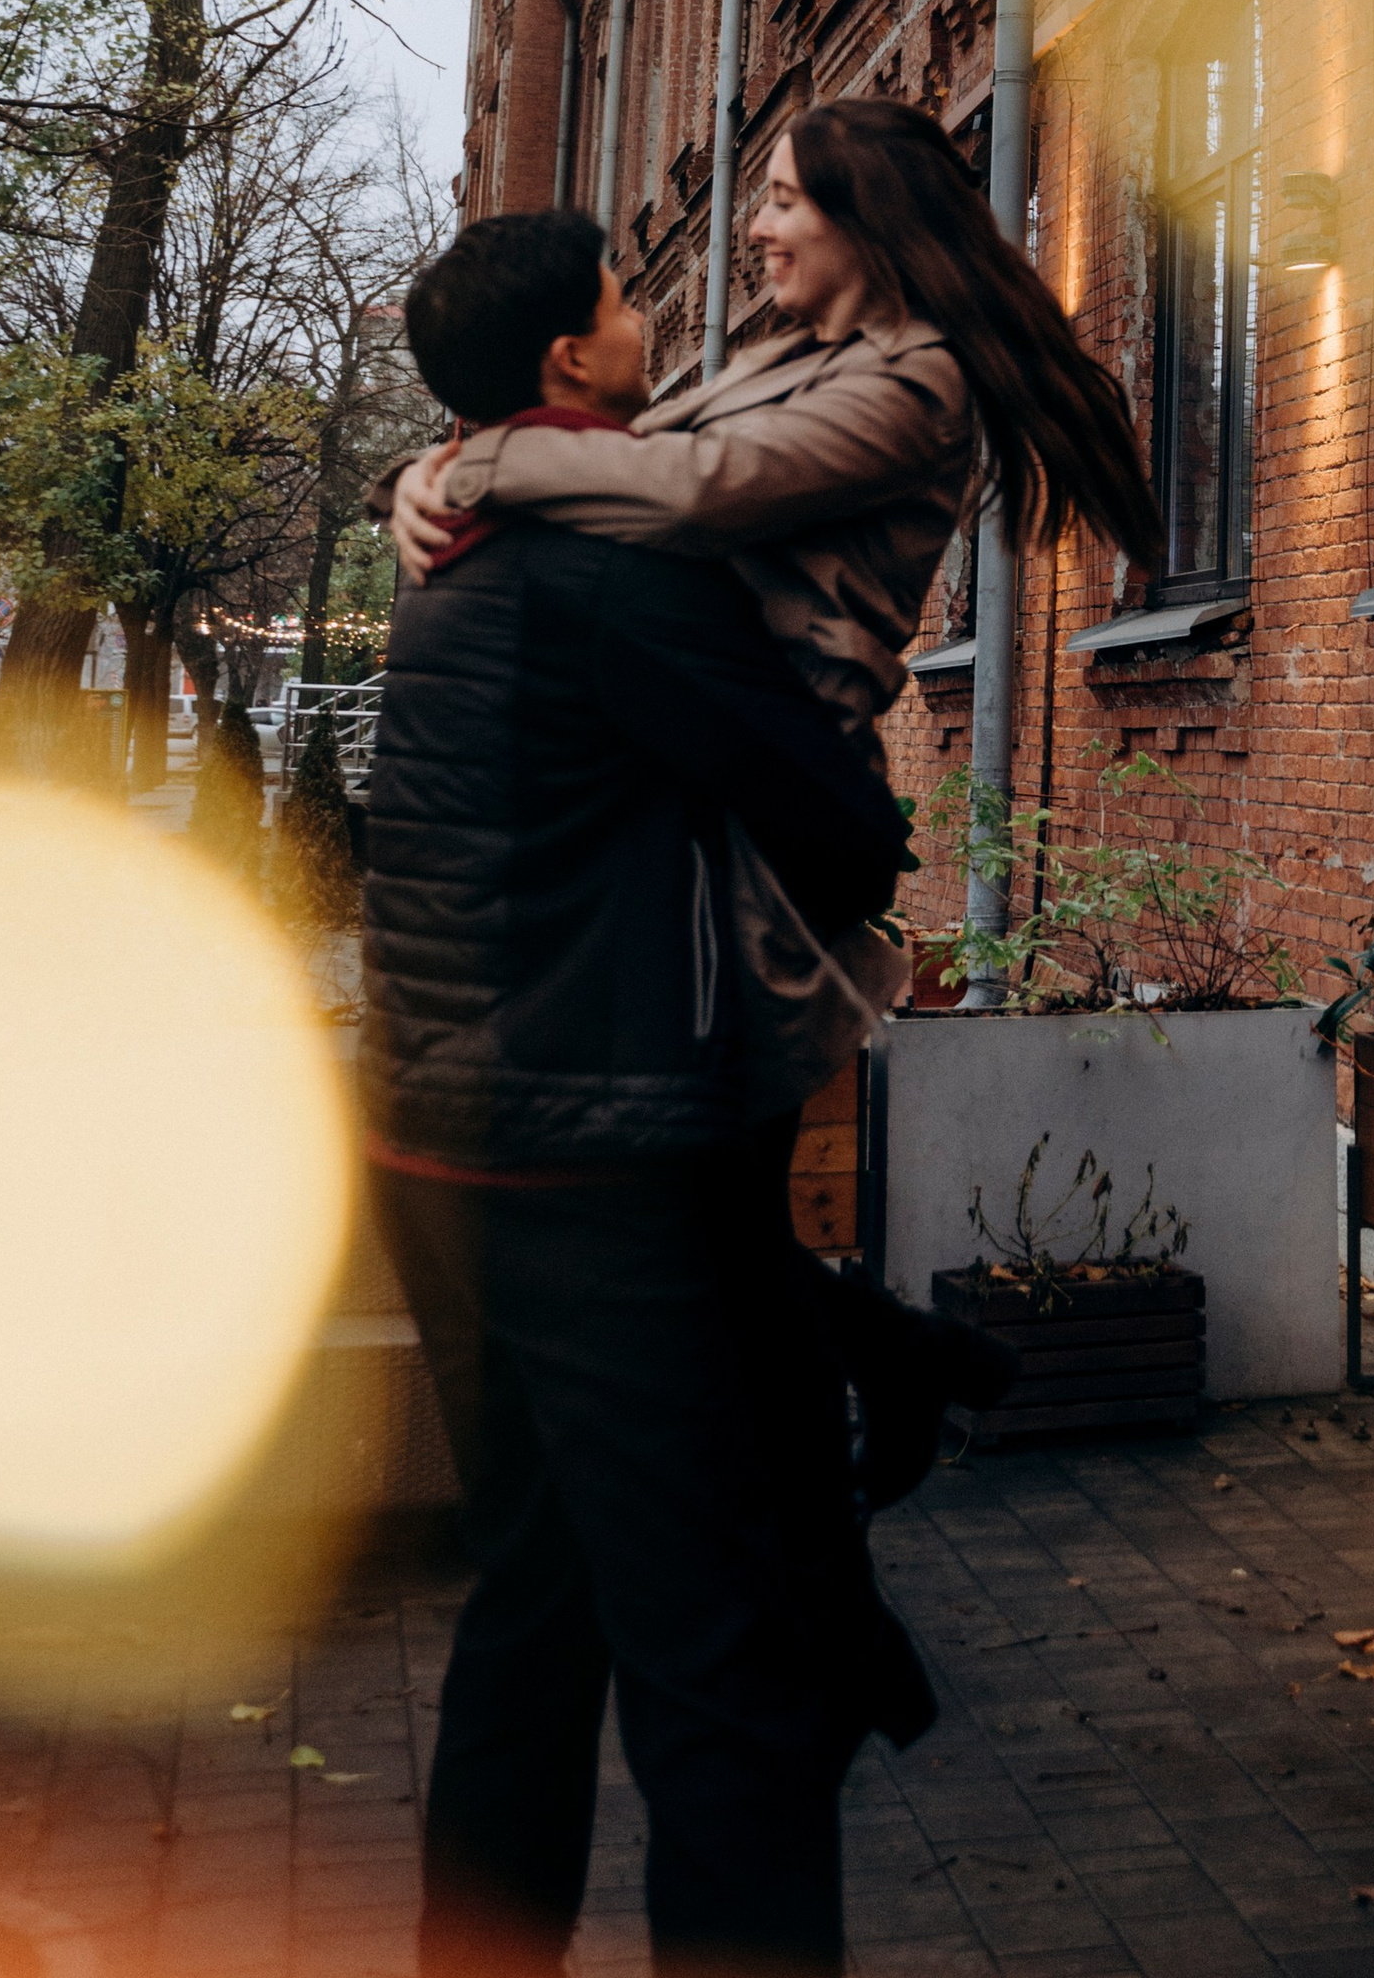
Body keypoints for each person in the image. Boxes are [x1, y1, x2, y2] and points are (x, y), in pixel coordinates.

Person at [388, 97, 1166, 1499]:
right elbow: (619, 466)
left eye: (786, 201)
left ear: (868, 215)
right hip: (687, 772)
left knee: (692, 1207)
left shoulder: (916, 378)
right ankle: (870, 1395)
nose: (753, 227)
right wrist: (431, 469)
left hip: (773, 794)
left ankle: (794, 1512)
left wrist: (472, 463)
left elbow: (691, 490)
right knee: (688, 1223)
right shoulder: (781, 348)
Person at [367, 204, 932, 1978]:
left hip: (436, 1153)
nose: (652, 310)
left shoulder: (459, 538)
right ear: (566, 364)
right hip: (588, 1174)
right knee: (727, 1668)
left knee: (534, 1609)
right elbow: (834, 823)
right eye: (624, 298)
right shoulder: (617, 569)